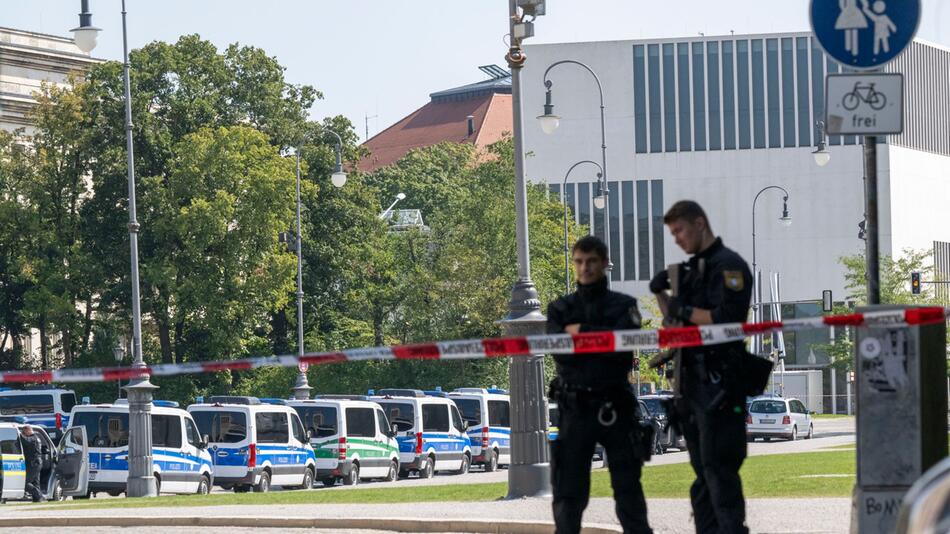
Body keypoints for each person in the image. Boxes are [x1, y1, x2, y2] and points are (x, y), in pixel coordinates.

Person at [649, 200, 752, 534]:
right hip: (691, 386)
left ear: (699, 224)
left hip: (721, 385)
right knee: (703, 479)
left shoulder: (730, 266)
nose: (677, 238)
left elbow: (727, 319)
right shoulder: (692, 272)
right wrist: (662, 294)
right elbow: (674, 322)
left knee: (719, 474)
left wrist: (684, 306)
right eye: (673, 233)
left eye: (679, 230)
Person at [547, 235, 653, 534]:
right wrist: (600, 336)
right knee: (568, 497)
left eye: (591, 261)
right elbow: (562, 352)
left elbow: (620, 347)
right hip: (575, 408)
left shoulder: (624, 305)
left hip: (615, 405)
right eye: (579, 261)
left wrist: (580, 333)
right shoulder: (560, 309)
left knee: (629, 492)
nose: (585, 268)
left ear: (604, 263)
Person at [20, 425, 45, 502]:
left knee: (24, 483)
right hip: (36, 463)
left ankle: (39, 495)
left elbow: (25, 440)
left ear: (28, 431)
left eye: (24, 432)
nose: (23, 434)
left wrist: (18, 434)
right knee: (36, 483)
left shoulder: (33, 438)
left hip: (34, 463)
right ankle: (37, 499)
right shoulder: (36, 437)